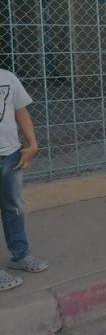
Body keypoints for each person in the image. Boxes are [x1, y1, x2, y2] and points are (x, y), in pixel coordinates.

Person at [0, 69, 49, 292]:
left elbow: (21, 112)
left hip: (10, 155)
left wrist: (32, 144)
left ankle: (20, 255)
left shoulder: (7, 77)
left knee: (14, 207)